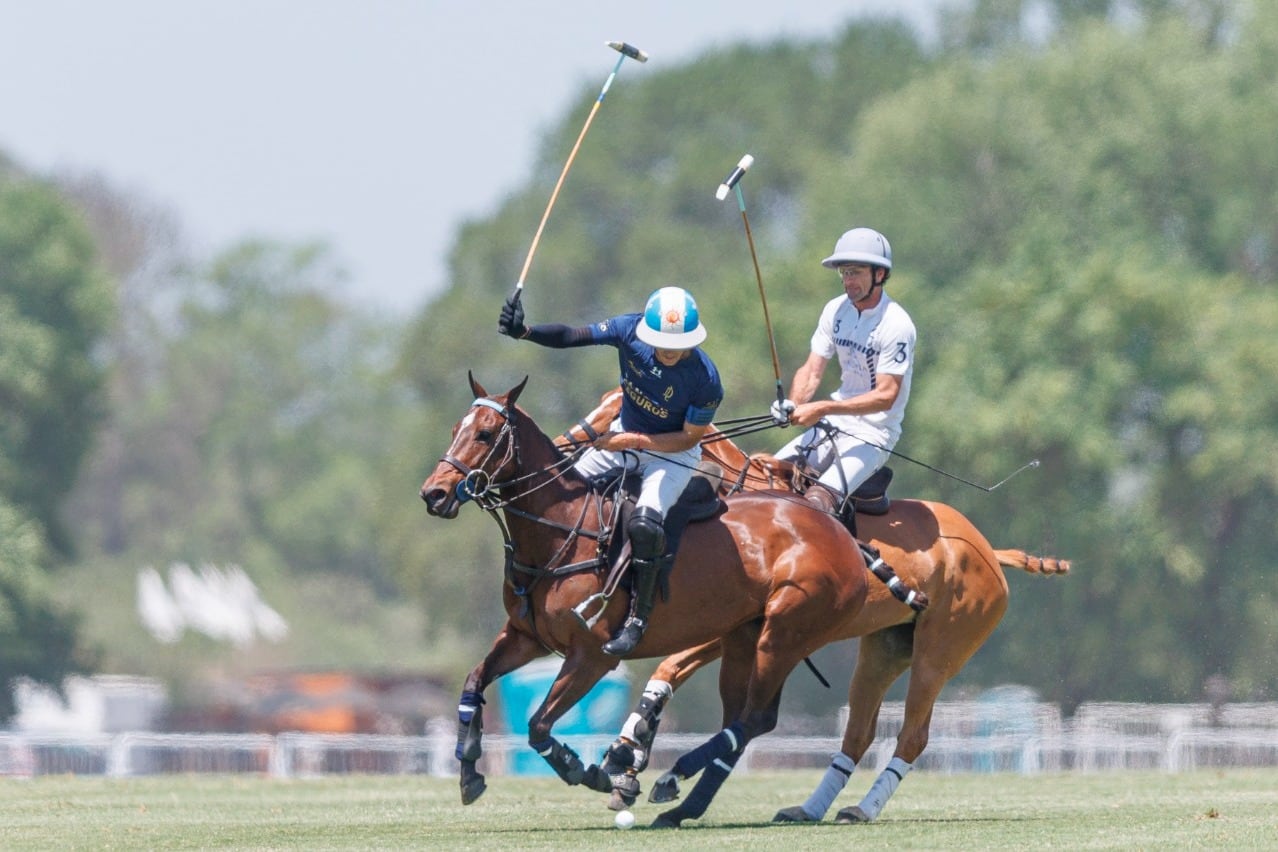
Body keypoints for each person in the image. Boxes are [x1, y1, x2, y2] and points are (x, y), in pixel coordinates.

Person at [498, 285, 724, 656]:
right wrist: (525, 331)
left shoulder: (706, 379)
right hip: (622, 438)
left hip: (671, 456)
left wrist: (632, 442)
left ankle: (638, 617)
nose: (669, 352)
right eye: (662, 344)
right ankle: (543, 581)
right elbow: (572, 336)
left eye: (678, 345)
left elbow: (687, 439)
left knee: (645, 523)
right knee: (559, 491)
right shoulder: (627, 330)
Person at [769, 227, 922, 608]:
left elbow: (886, 397)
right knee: (768, 477)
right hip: (834, 422)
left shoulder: (897, 325)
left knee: (820, 499)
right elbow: (812, 369)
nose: (848, 280)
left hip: (874, 433)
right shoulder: (834, 310)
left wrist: (821, 407)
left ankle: (822, 591)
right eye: (844, 273)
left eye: (855, 272)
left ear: (880, 275)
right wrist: (793, 404)